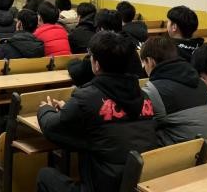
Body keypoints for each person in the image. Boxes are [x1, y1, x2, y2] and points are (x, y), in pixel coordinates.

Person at [37, 31, 158, 192]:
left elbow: (51, 128)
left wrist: (45, 109)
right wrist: (69, 108)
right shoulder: (144, 96)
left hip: (104, 186)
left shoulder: (87, 97)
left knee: (45, 176)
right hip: (139, 182)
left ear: (96, 64)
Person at [140, 36, 207, 145]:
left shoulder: (153, 90)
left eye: (144, 63)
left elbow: (143, 128)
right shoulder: (200, 82)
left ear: (150, 61)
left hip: (190, 152)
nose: (144, 68)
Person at [68, 9, 144, 87]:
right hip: (132, 88)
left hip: (110, 89)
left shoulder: (102, 47)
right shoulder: (129, 43)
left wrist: (72, 63)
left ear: (101, 29)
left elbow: (79, 73)